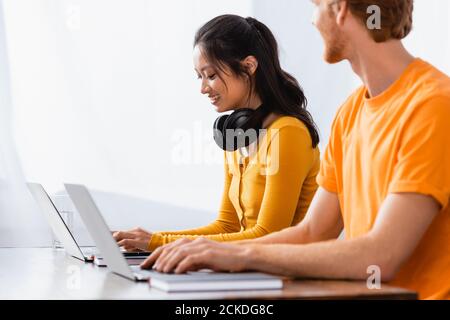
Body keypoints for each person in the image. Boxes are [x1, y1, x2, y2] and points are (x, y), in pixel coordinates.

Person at [141, 0, 450, 300]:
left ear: (340, 8)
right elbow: (313, 232)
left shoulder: (434, 106)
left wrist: (239, 255)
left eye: (316, 6)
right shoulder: (351, 113)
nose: (313, 21)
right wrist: (215, 253)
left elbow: (382, 255)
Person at [113, 15, 321, 252]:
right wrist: (148, 240)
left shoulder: (287, 133)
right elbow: (228, 225)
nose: (203, 88)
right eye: (199, 77)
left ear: (249, 66)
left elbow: (269, 235)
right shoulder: (237, 134)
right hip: (248, 269)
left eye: (210, 75)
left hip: (288, 278)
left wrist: (159, 243)